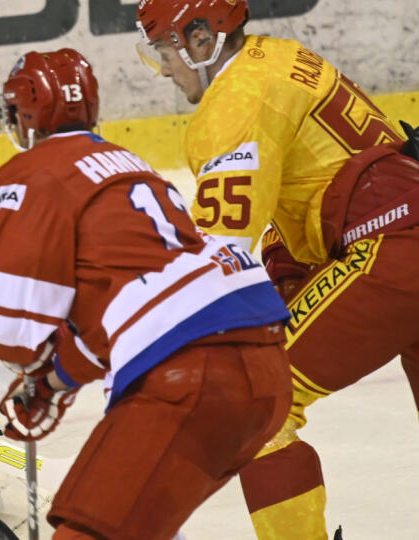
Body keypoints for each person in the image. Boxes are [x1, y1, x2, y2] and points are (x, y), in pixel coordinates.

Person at [0, 48, 293, 540]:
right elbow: (133, 307)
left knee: (91, 531)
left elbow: (9, 332)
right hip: (263, 374)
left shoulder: (31, 173)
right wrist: (57, 380)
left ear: (28, 111)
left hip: (189, 376)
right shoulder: (130, 167)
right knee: (139, 524)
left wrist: (37, 361)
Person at [135, 0, 419, 537]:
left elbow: (220, 256)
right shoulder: (285, 57)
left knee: (252, 403)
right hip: (404, 231)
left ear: (201, 40)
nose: (164, 69)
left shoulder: (233, 105)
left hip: (395, 251)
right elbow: (307, 201)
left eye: (165, 51)